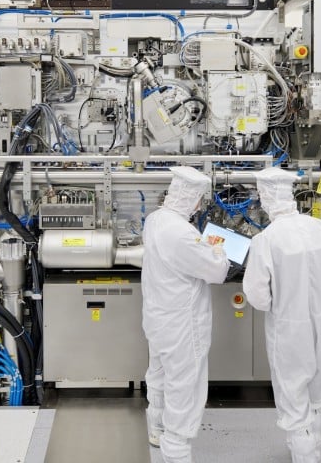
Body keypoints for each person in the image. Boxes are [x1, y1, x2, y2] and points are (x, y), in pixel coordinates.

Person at [243, 168, 321, 463]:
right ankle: (311, 446)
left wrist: (281, 301)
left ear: (266, 197)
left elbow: (256, 296)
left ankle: (305, 453)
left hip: (288, 328)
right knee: (315, 390)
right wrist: (315, 298)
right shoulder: (319, 228)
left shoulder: (266, 239)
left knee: (292, 395)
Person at [142, 165, 229, 463]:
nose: (199, 206)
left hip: (157, 318)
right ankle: (176, 450)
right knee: (184, 385)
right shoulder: (180, 232)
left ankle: (156, 429)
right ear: (190, 198)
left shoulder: (155, 220)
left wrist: (202, 246)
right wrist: (218, 250)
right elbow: (216, 271)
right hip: (182, 324)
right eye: (198, 200)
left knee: (159, 375)